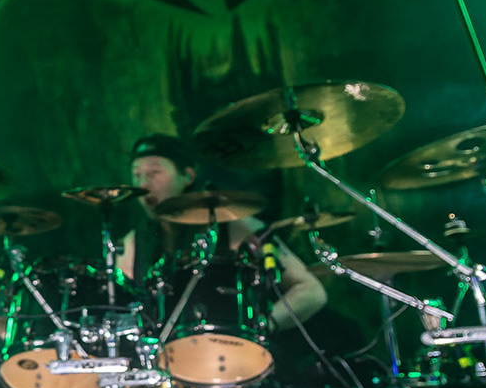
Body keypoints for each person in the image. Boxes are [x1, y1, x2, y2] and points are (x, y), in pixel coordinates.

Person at [115, 133, 327, 333]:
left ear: (187, 176)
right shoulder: (131, 244)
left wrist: (260, 326)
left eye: (154, 173)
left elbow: (311, 291)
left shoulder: (233, 226)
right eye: (137, 174)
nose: (143, 184)